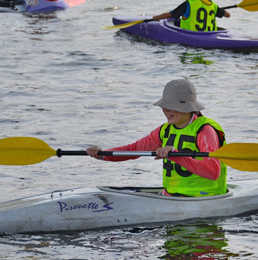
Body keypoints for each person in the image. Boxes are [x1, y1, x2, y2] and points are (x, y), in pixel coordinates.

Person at [86, 79, 227, 197]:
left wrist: (175, 155)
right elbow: (134, 149)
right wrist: (103, 154)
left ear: (187, 107)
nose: (165, 110)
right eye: (165, 106)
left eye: (171, 106)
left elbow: (213, 171)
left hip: (205, 197)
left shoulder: (205, 130)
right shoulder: (164, 130)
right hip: (172, 196)